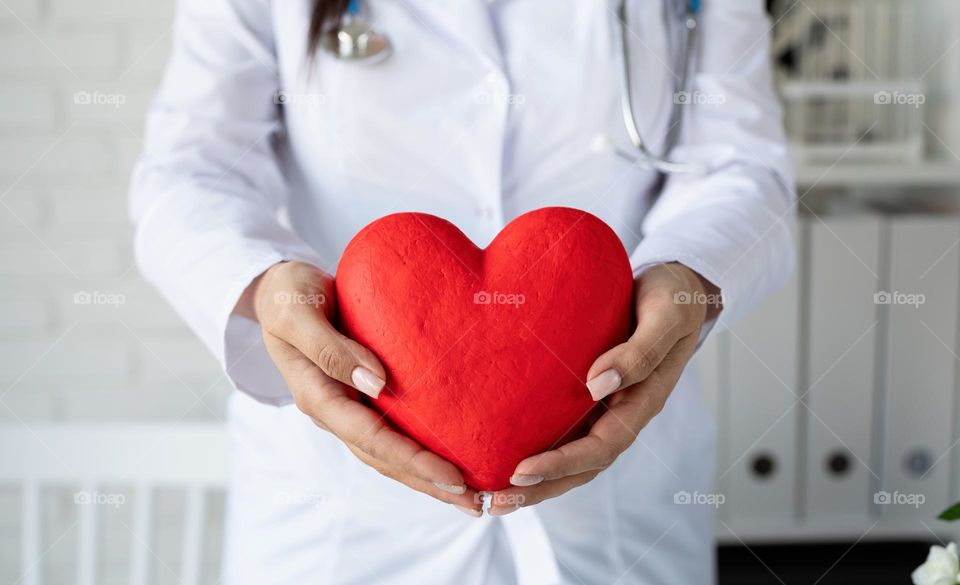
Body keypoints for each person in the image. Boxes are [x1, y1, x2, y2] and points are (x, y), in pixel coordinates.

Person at [129, 0, 794, 583]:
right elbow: (189, 172)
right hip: (340, 520)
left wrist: (688, 278)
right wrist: (268, 286)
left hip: (614, 494)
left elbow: (743, 168)